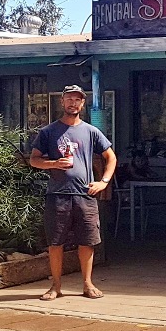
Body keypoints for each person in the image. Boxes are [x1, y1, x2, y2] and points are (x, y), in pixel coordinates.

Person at [29, 85, 117, 300]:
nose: (73, 103)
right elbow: (34, 160)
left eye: (77, 99)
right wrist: (53, 163)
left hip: (85, 195)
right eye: (69, 99)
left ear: (83, 103)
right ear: (62, 102)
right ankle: (56, 286)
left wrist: (103, 182)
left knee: (87, 241)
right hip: (57, 195)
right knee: (55, 242)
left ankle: (87, 284)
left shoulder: (91, 131)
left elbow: (111, 157)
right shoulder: (48, 132)